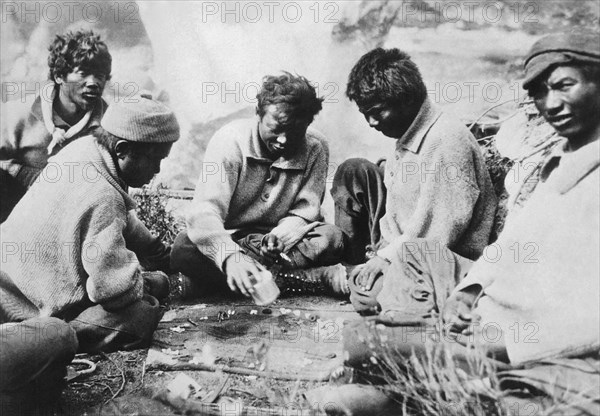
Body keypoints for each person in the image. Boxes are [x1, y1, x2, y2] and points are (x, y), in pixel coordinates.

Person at [318, 31, 600, 416]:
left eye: (565, 85)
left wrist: (506, 344)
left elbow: (586, 317)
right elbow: (510, 246)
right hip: (490, 310)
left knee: (367, 343)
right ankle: (416, 375)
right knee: (367, 340)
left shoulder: (447, 140)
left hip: (531, 339)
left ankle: (429, 384)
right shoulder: (564, 161)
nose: (550, 104)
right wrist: (469, 291)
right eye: (538, 92)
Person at [1, 94, 179, 411]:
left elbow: (126, 215)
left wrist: (156, 248)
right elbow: (112, 290)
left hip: (7, 277)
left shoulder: (84, 151)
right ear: (122, 151)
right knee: (140, 314)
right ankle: (61, 336)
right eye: (155, 159)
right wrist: (153, 282)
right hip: (21, 307)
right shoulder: (103, 196)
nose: (157, 169)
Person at [331, 48, 497, 315]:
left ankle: (349, 280)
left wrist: (386, 258)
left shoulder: (447, 142)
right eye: (365, 114)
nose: (371, 122)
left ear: (405, 100)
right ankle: (351, 270)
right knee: (353, 171)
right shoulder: (410, 131)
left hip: (440, 258)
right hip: (402, 243)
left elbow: (439, 233)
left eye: (376, 112)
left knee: (367, 297)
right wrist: (381, 253)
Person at [171, 72, 346, 299]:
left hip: (283, 245)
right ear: (258, 114)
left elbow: (305, 212)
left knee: (332, 238)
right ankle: (304, 279)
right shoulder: (229, 141)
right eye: (275, 128)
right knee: (183, 249)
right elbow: (205, 211)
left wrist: (279, 238)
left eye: (293, 131)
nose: (283, 140)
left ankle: (219, 283)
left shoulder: (316, 147)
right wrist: (230, 255)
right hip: (233, 236)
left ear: (307, 123)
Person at [0, 30, 112, 223]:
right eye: (83, 73)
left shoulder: (110, 123)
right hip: (17, 216)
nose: (93, 83)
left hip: (76, 219)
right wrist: (25, 175)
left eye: (100, 75)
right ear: (59, 76)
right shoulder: (18, 114)